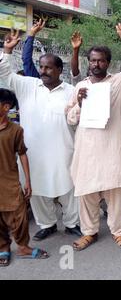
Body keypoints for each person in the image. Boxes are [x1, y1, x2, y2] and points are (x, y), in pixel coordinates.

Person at [66, 23, 121, 251]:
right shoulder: (81, 86)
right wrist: (79, 101)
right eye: (93, 60)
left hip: (112, 150)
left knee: (115, 194)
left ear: (108, 62)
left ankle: (118, 232)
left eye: (101, 60)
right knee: (86, 194)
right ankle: (89, 232)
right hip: (87, 151)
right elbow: (70, 118)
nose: (97, 64)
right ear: (89, 62)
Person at [1, 29, 81, 241]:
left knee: (69, 188)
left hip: (64, 150)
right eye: (41, 66)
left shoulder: (70, 91)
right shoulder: (28, 85)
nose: (43, 71)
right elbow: (4, 75)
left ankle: (72, 223)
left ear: (58, 70)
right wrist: (7, 51)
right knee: (36, 190)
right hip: (33, 153)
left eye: (48, 67)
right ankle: (47, 224)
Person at [0, 89, 49, 266]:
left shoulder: (15, 130)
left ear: (6, 107)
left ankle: (23, 247)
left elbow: (22, 154)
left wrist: (27, 181)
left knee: (19, 216)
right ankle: (3, 248)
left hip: (10, 182)